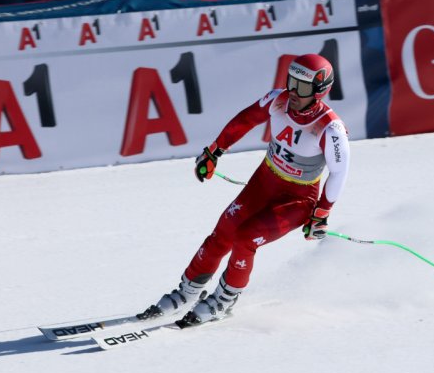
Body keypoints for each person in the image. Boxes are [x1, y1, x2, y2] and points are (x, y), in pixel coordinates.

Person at [138, 54, 350, 327]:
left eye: (304, 87)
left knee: (245, 239)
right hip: (263, 183)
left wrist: (321, 213)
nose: (295, 92)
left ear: (320, 90)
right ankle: (187, 292)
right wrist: (214, 151)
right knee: (222, 233)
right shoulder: (278, 100)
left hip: (296, 200)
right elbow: (245, 120)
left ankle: (223, 301)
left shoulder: (330, 127)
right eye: (292, 82)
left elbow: (339, 171)